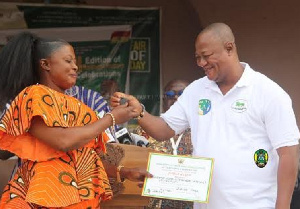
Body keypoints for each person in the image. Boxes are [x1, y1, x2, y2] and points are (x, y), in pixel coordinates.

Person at [111, 23, 300, 209]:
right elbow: (164, 129)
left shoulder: (268, 93)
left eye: (206, 56)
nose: (201, 63)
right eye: (197, 58)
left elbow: (288, 155)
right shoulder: (196, 90)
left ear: (229, 48)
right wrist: (140, 112)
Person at [0, 32, 151, 208]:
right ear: (45, 64)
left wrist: (124, 172)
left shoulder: (81, 108)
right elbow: (62, 141)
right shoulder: (33, 96)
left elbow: (85, 158)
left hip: (79, 200)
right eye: (68, 61)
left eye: (75, 62)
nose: (75, 67)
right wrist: (111, 118)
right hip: (40, 200)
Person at [146, 79, 193, 209]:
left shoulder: (203, 129)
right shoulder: (146, 130)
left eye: (183, 94)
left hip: (193, 203)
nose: (176, 97)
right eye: (171, 94)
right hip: (156, 203)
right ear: (163, 99)